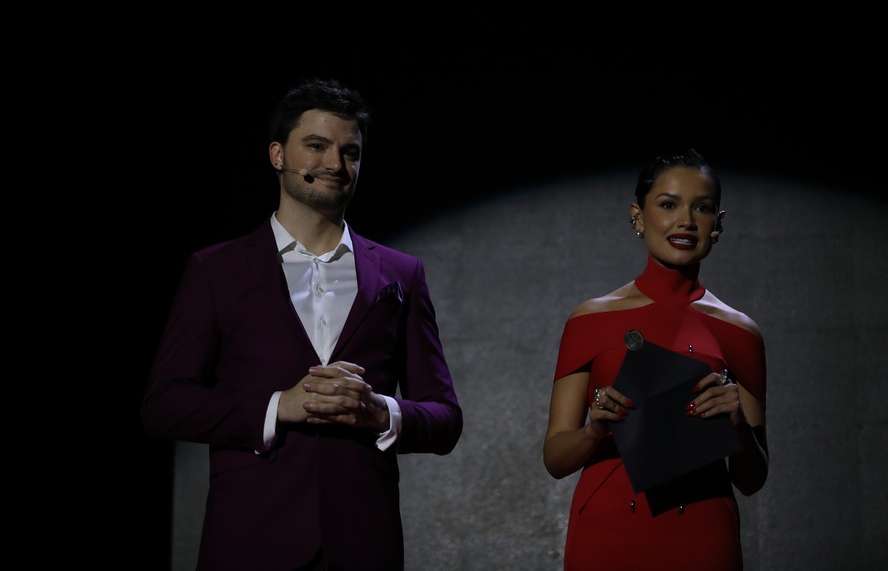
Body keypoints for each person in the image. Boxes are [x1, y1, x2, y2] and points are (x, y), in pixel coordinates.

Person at [142, 77, 463, 571]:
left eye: (350, 152)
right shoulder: (216, 270)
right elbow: (163, 404)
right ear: (277, 155)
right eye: (316, 146)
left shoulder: (401, 273)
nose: (334, 164)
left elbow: (445, 418)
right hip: (248, 541)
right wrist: (278, 407)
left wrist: (380, 412)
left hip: (363, 545)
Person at [542, 147, 768, 570]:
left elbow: (753, 479)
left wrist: (736, 425)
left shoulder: (741, 332)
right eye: (668, 205)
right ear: (639, 216)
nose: (685, 220)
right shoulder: (588, 319)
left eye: (702, 208)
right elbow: (555, 458)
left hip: (704, 537)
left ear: (718, 224)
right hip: (606, 536)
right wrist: (594, 432)